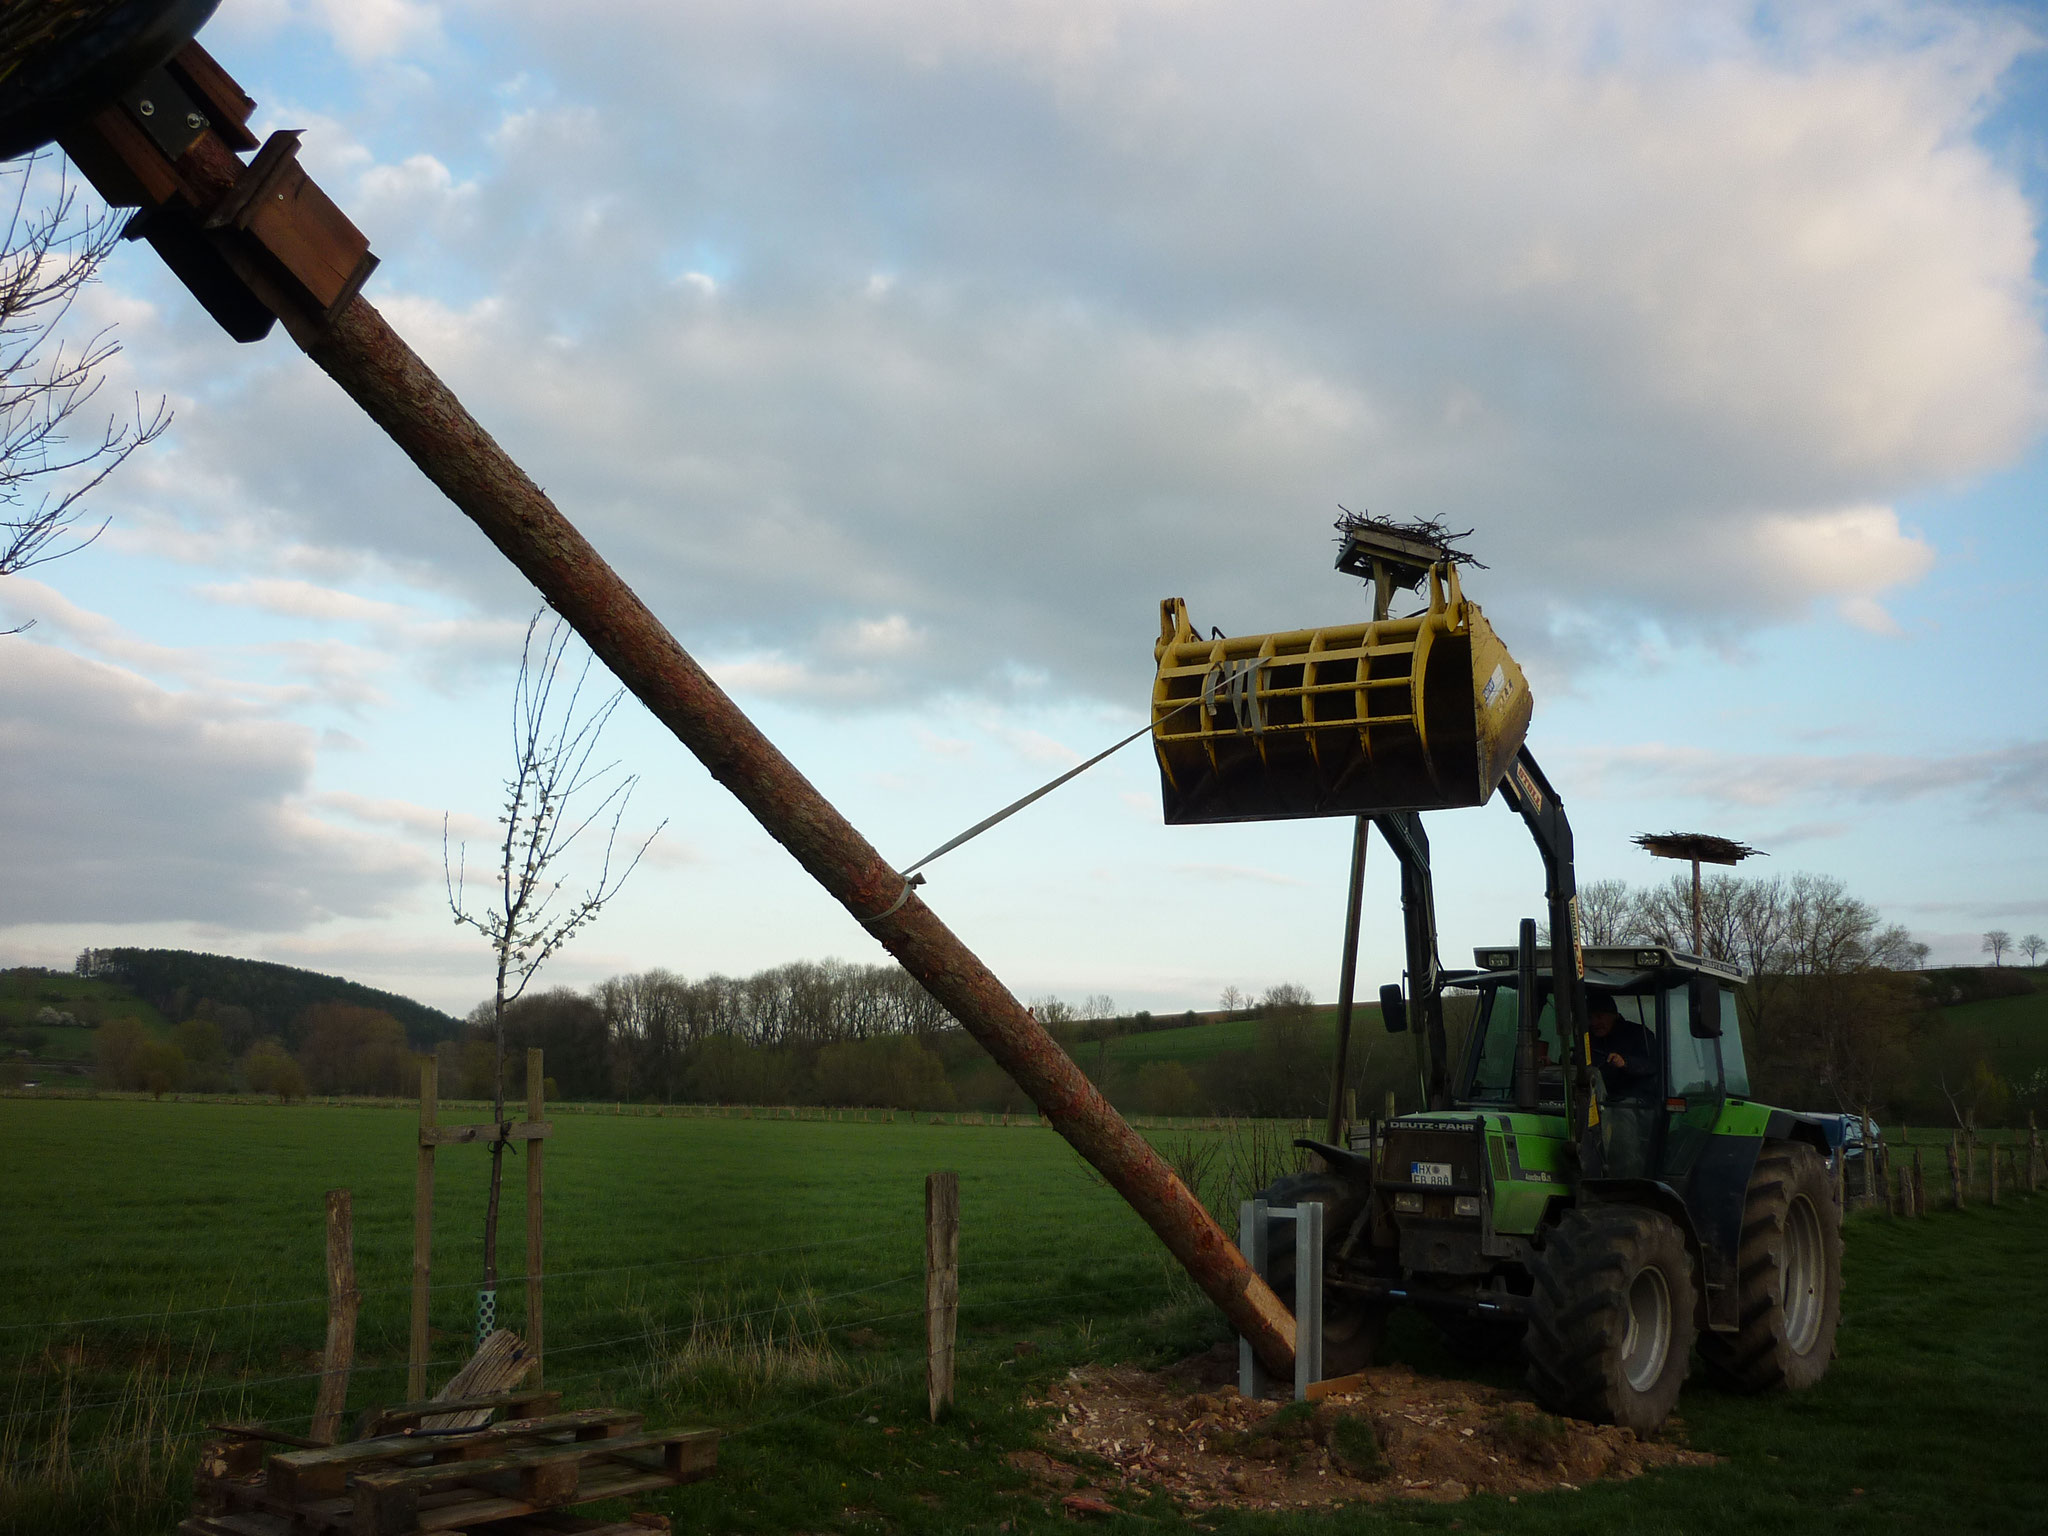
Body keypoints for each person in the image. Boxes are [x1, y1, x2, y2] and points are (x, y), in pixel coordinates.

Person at [1586, 989, 1659, 1177]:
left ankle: (1625, 1179)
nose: (1594, 1022)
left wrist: (1626, 1063)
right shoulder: (1588, 1040)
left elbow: (1654, 1065)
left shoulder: (1638, 1034)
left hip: (1636, 1102)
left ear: (1614, 1015)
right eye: (1590, 1017)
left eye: (1599, 1016)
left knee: (1620, 1117)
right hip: (1598, 1102)